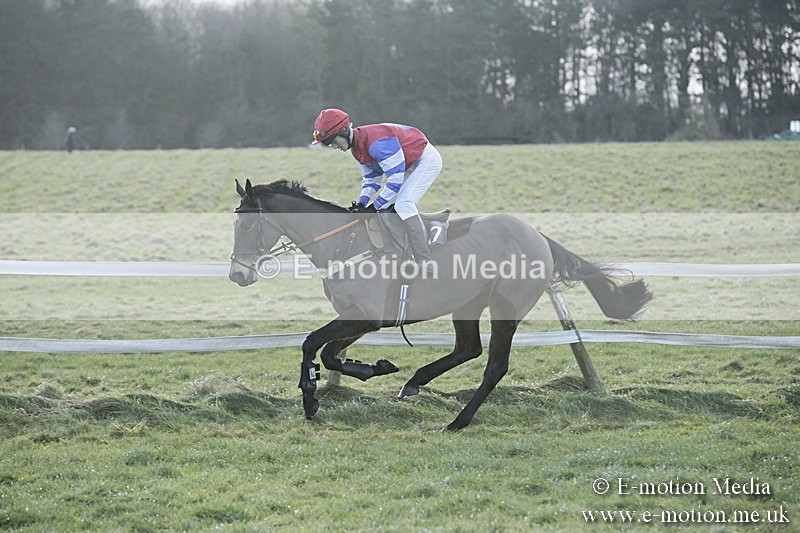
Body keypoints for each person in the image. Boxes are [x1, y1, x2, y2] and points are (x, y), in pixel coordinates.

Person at [312, 108, 442, 265]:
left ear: (345, 130)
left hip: (424, 160)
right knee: (387, 207)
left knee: (403, 204)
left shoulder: (376, 143)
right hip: (406, 165)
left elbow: (395, 180)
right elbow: (372, 179)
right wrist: (362, 203)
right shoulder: (357, 149)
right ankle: (401, 252)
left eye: (333, 141)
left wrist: (373, 207)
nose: (333, 146)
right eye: (328, 144)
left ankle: (424, 259)